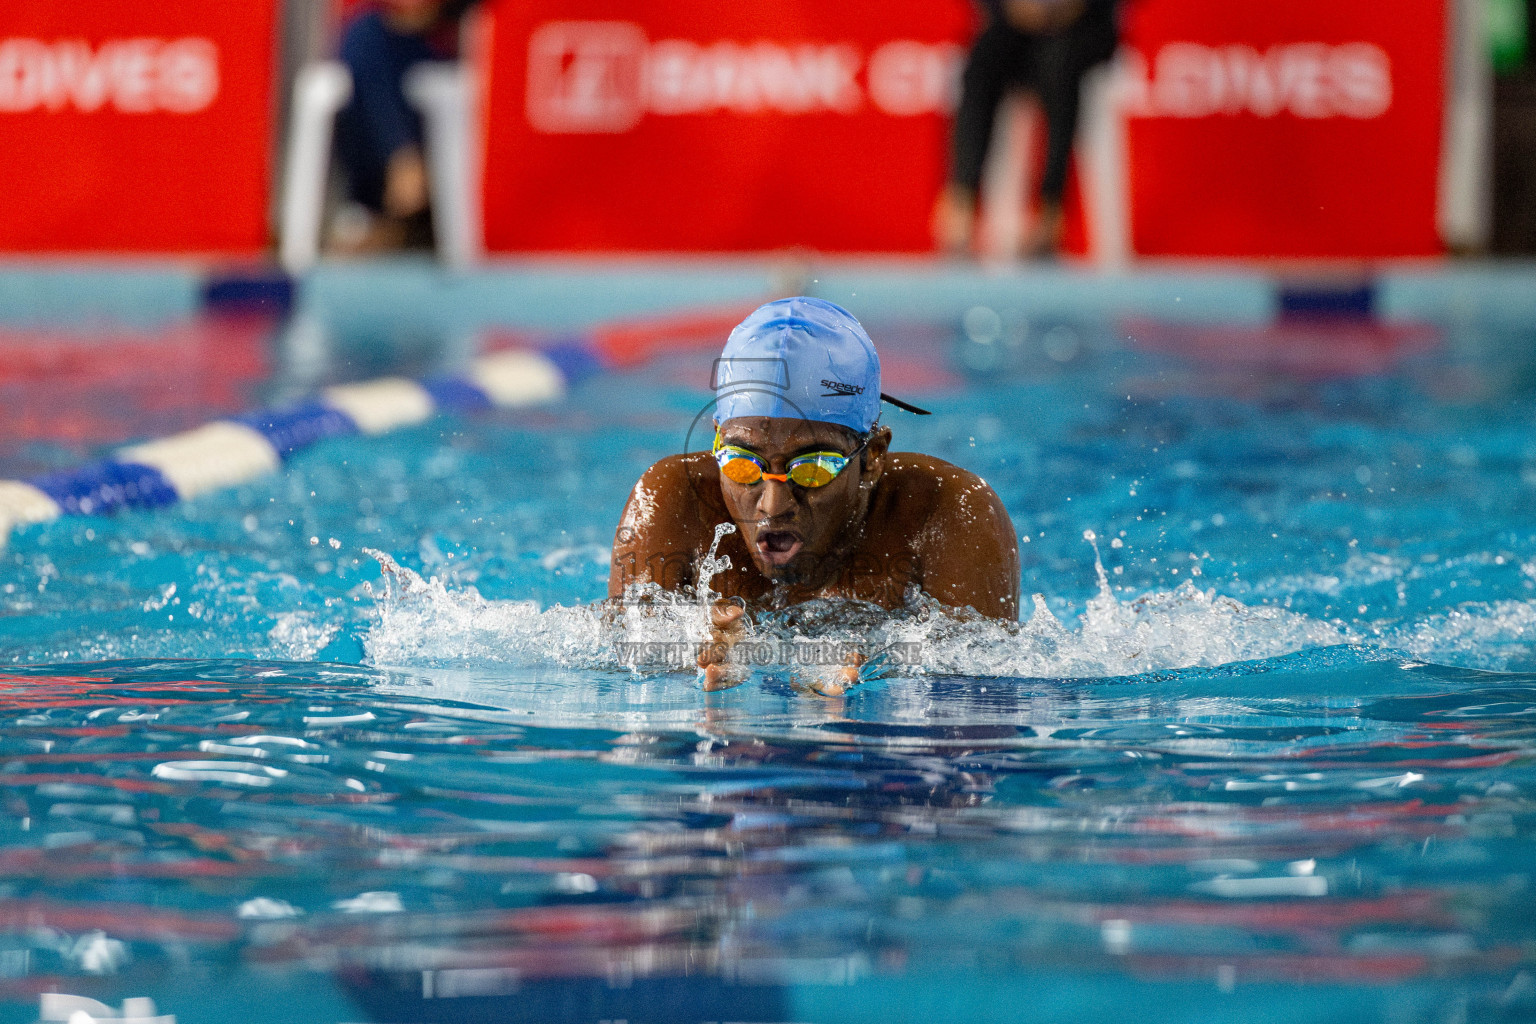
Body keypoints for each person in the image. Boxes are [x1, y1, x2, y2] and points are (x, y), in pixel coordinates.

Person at [609, 298, 1020, 694]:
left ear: (873, 455)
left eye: (812, 468)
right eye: (742, 464)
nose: (772, 505)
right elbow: (616, 655)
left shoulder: (948, 511)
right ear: (716, 438)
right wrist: (687, 654)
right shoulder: (672, 499)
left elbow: (983, 687)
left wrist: (883, 669)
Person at [932, 0, 1119, 259]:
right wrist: (1014, 7)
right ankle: (961, 201)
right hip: (1014, 28)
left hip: (1082, 30)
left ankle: (1050, 212)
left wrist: (1070, 7)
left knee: (1060, 68)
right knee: (982, 63)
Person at [331, 0, 471, 252]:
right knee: (365, 38)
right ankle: (378, 216)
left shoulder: (472, 27)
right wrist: (401, 152)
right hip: (385, 184)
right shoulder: (371, 35)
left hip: (464, 179)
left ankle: (410, 223)